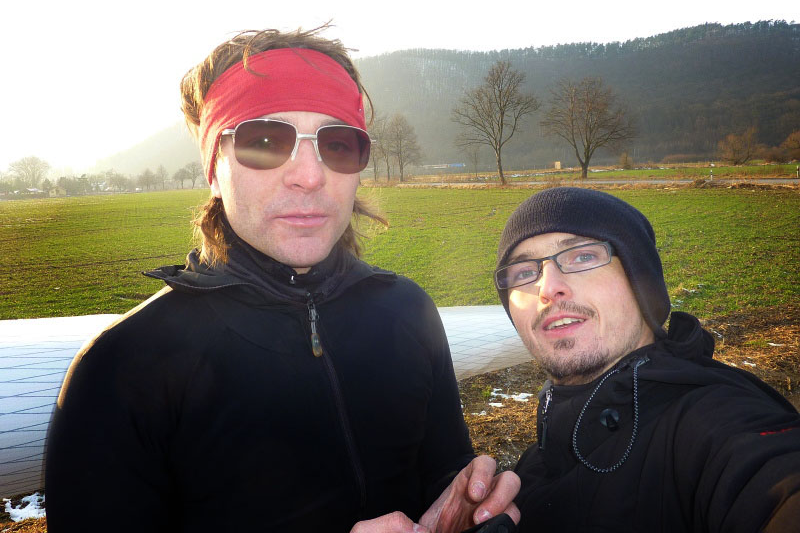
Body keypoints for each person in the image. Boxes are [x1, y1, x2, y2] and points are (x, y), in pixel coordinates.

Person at [45, 26, 519, 532]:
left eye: (337, 144)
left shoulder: (408, 311)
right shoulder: (123, 368)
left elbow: (440, 473)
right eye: (266, 141)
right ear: (214, 167)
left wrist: (465, 503)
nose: (310, 176)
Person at [493, 186, 800, 532]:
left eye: (583, 257)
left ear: (641, 282)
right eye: (524, 273)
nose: (548, 289)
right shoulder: (533, 465)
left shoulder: (710, 423)